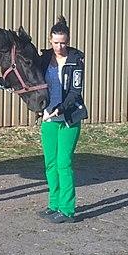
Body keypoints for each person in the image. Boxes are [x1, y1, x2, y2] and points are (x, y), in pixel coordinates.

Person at [36, 16, 87, 224]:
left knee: (63, 163)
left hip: (68, 118)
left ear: (68, 40)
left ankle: (67, 210)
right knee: (50, 164)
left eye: (63, 42)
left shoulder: (76, 59)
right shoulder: (43, 58)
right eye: (56, 42)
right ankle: (54, 204)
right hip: (48, 118)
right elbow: (30, 79)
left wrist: (59, 110)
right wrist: (0, 83)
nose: (60, 46)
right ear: (50, 40)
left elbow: (75, 92)